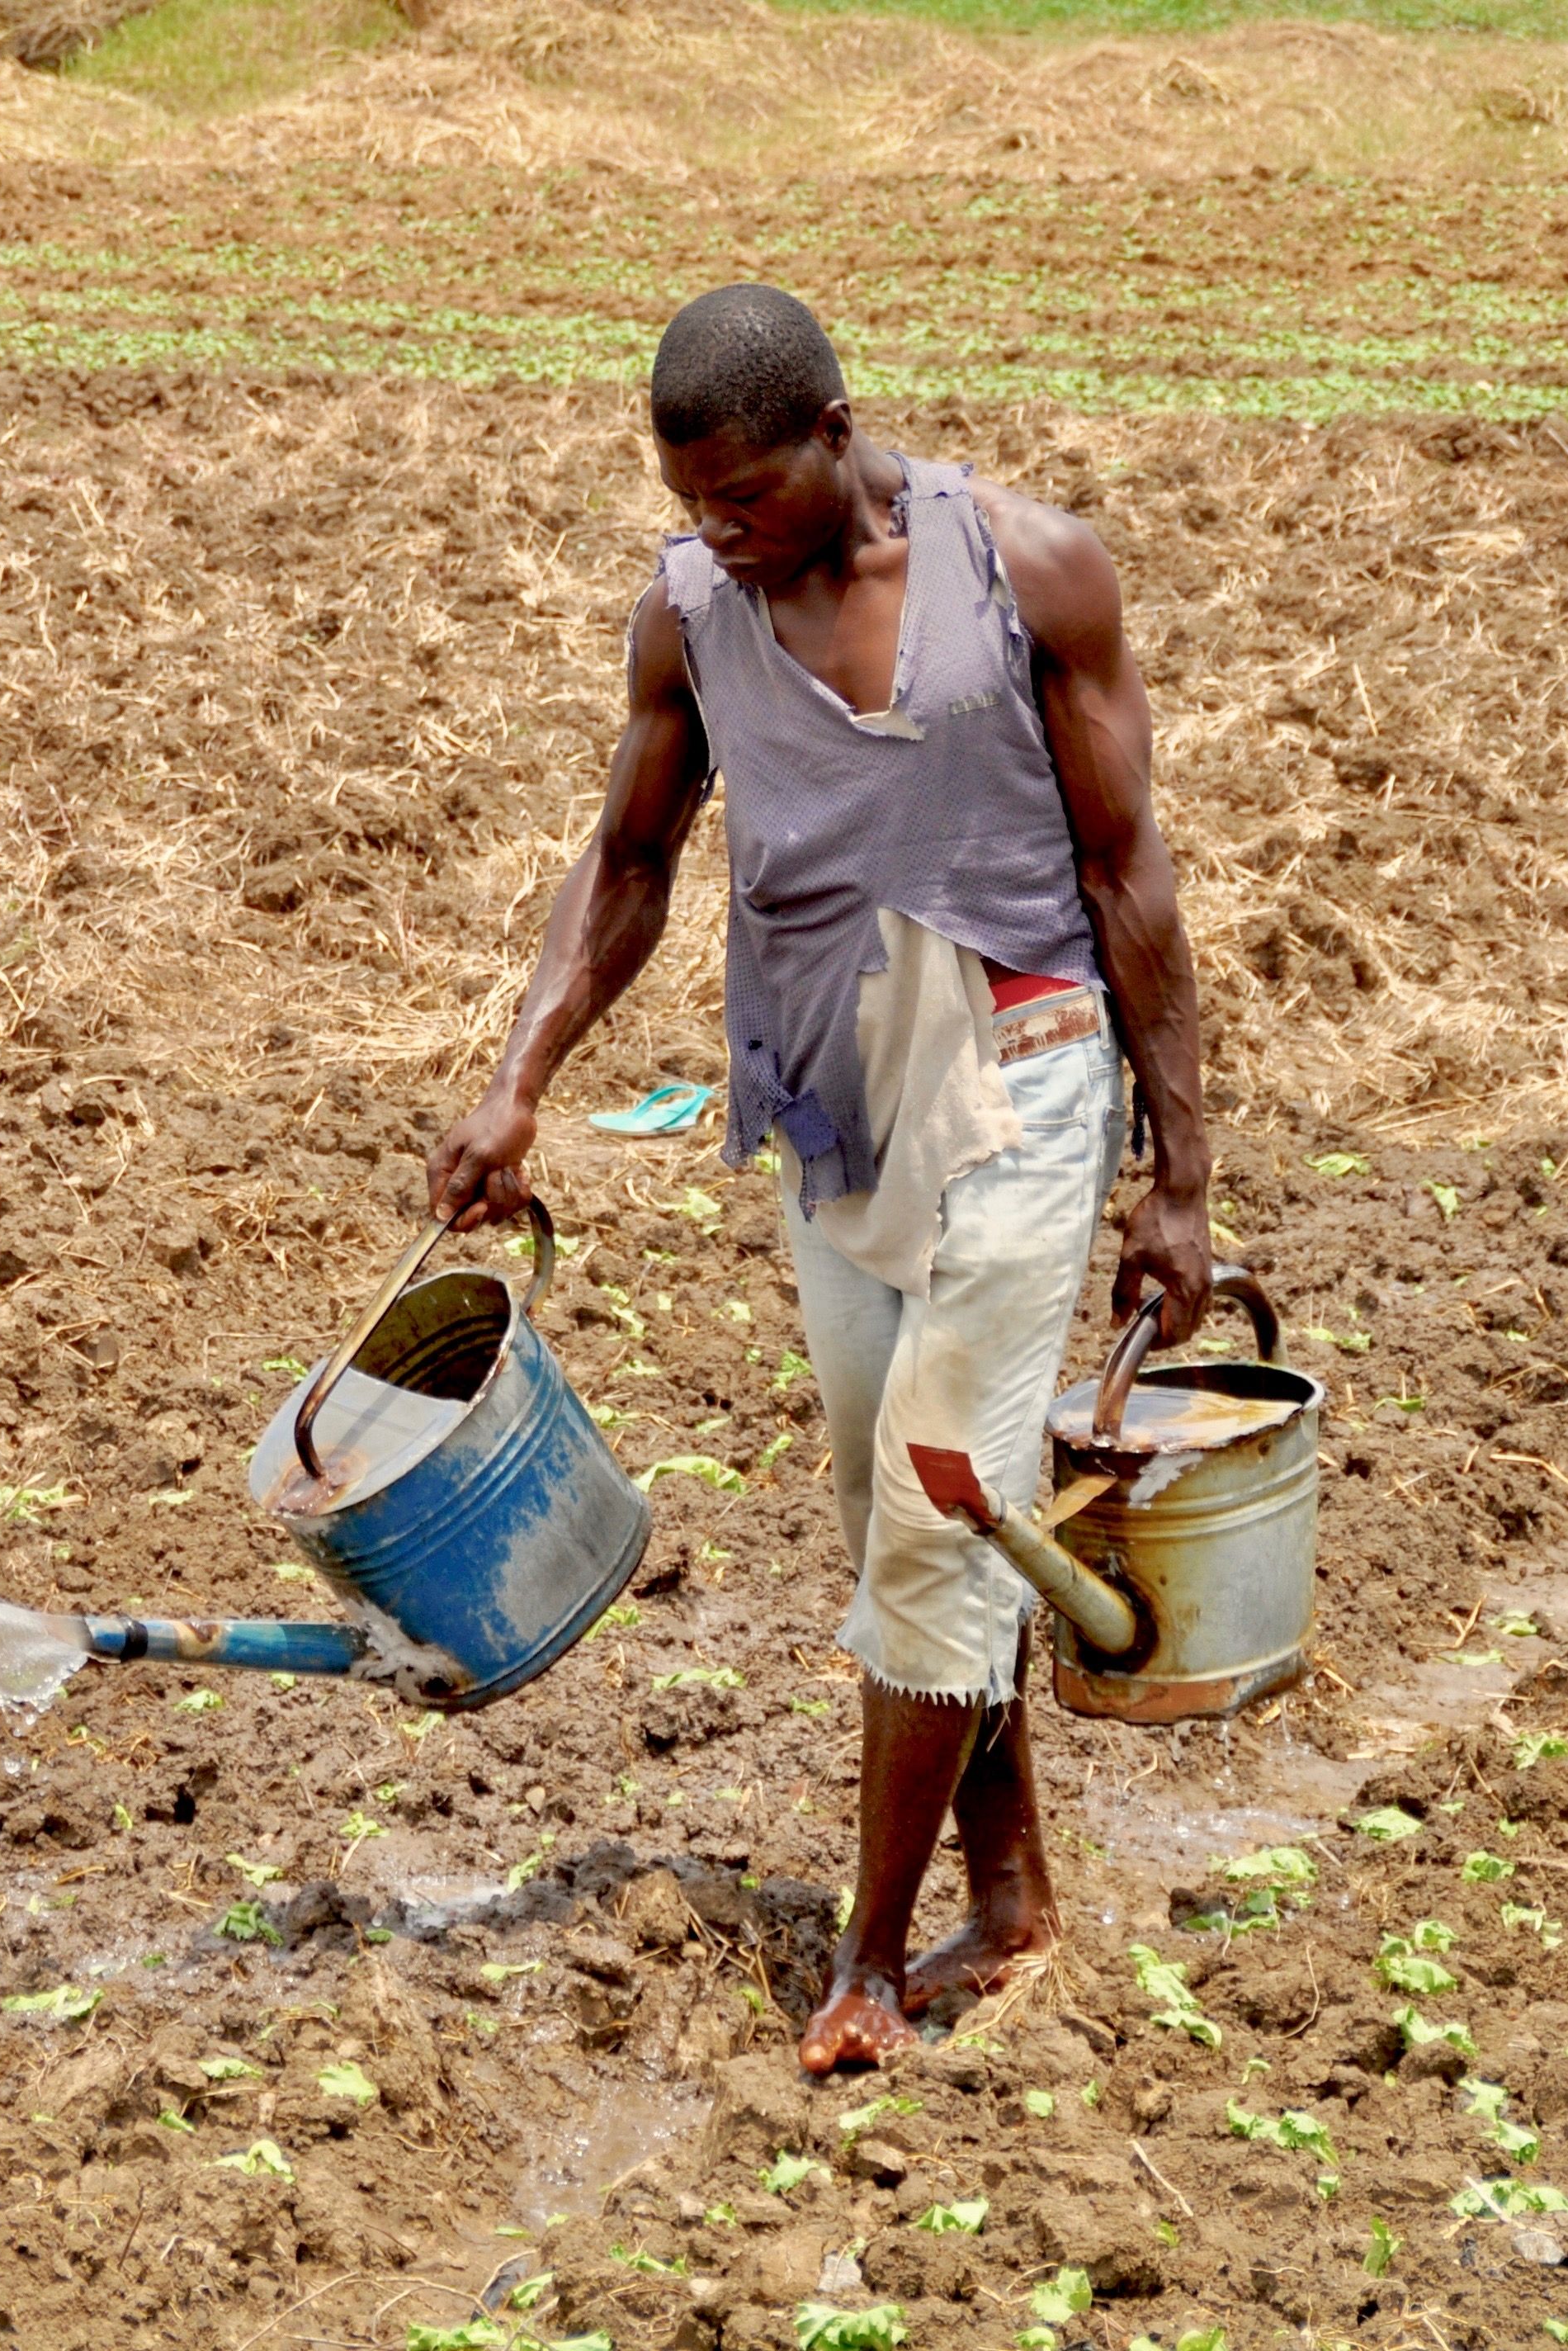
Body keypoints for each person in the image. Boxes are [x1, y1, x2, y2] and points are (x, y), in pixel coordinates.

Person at [425, 285, 1213, 2070]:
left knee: (938, 1510)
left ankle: (863, 1955)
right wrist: (516, 1079)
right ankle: (1005, 1891)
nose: (720, 530)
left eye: (747, 495)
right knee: (904, 1514)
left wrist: (1177, 1176)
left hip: (1018, 1071)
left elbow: (1129, 871)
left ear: (834, 433)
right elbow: (628, 857)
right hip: (829, 1100)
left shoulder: (1030, 570)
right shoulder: (689, 612)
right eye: (690, 499)